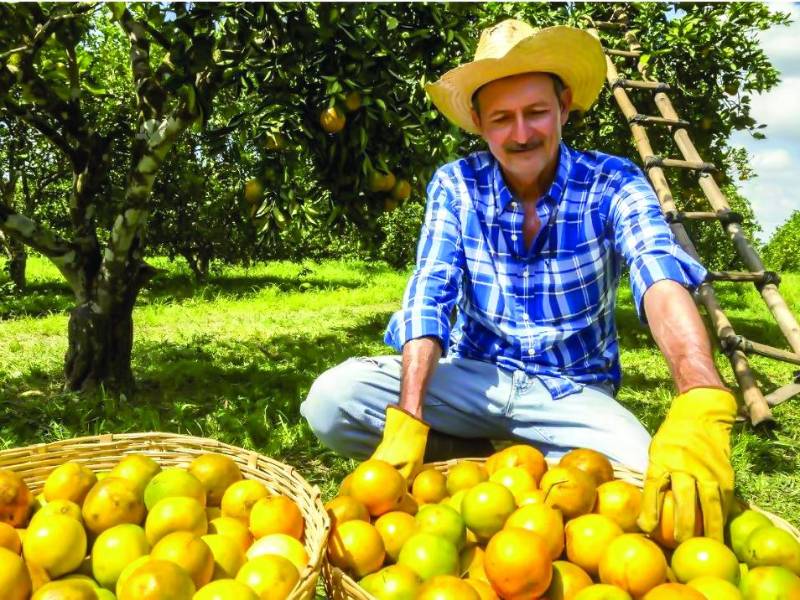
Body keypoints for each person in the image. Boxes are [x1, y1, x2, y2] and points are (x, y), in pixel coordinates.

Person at [301, 19, 737, 542]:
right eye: (502, 118)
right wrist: (409, 414)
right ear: (481, 124)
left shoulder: (613, 181)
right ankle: (482, 456)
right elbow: (430, 288)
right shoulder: (457, 184)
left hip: (571, 394)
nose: (522, 133)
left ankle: (495, 460)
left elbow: (658, 272)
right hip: (476, 379)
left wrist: (699, 394)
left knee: (656, 490)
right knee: (333, 400)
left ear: (564, 107)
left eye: (535, 112)